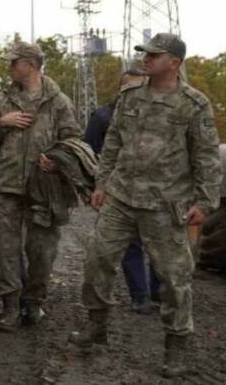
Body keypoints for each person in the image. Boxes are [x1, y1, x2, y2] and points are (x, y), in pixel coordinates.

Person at [70, 33, 221, 378]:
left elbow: (208, 156)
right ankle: (97, 326)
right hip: (122, 198)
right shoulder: (130, 97)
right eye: (145, 54)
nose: (146, 58)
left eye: (155, 55)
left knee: (174, 278)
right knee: (97, 260)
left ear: (175, 62)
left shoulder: (193, 104)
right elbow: (113, 143)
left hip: (165, 204)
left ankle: (176, 344)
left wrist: (205, 201)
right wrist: (101, 182)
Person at [0, 41, 82, 330]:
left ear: (31, 65)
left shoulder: (58, 100)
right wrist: (2, 122)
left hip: (45, 188)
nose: (9, 67)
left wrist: (58, 160)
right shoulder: (4, 100)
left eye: (14, 62)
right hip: (8, 186)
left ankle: (34, 302)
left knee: (42, 250)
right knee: (5, 250)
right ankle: (10, 306)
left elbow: (73, 140)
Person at [82, 64, 160, 314]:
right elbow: (89, 152)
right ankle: (139, 295)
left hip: (157, 193)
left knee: (159, 244)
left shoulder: (159, 114)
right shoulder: (103, 117)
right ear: (120, 87)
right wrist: (96, 186)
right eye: (128, 85)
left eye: (139, 85)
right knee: (130, 245)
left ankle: (159, 293)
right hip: (119, 193)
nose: (133, 91)